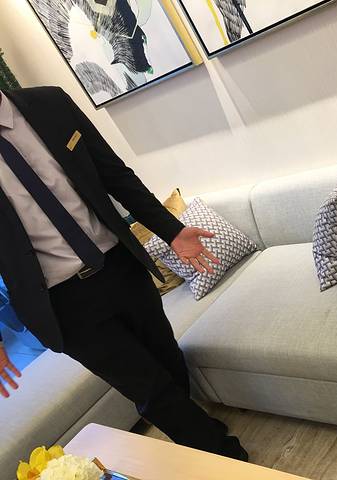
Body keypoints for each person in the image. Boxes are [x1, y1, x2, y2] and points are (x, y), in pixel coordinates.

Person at [0, 86, 247, 461]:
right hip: (61, 303)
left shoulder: (50, 103)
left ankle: (200, 433)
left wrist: (171, 230)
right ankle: (224, 459)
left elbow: (115, 175)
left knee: (167, 357)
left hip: (120, 265)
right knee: (147, 387)